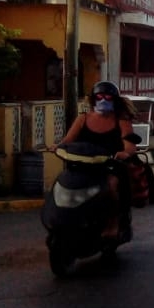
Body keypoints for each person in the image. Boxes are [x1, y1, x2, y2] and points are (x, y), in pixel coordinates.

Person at [59, 80, 136, 238]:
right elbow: (67, 141)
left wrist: (125, 153)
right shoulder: (83, 119)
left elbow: (129, 144)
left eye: (108, 98)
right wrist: (58, 147)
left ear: (114, 100)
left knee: (112, 185)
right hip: (83, 166)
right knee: (64, 182)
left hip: (109, 166)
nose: (103, 101)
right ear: (93, 99)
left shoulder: (121, 121)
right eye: (100, 97)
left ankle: (113, 222)